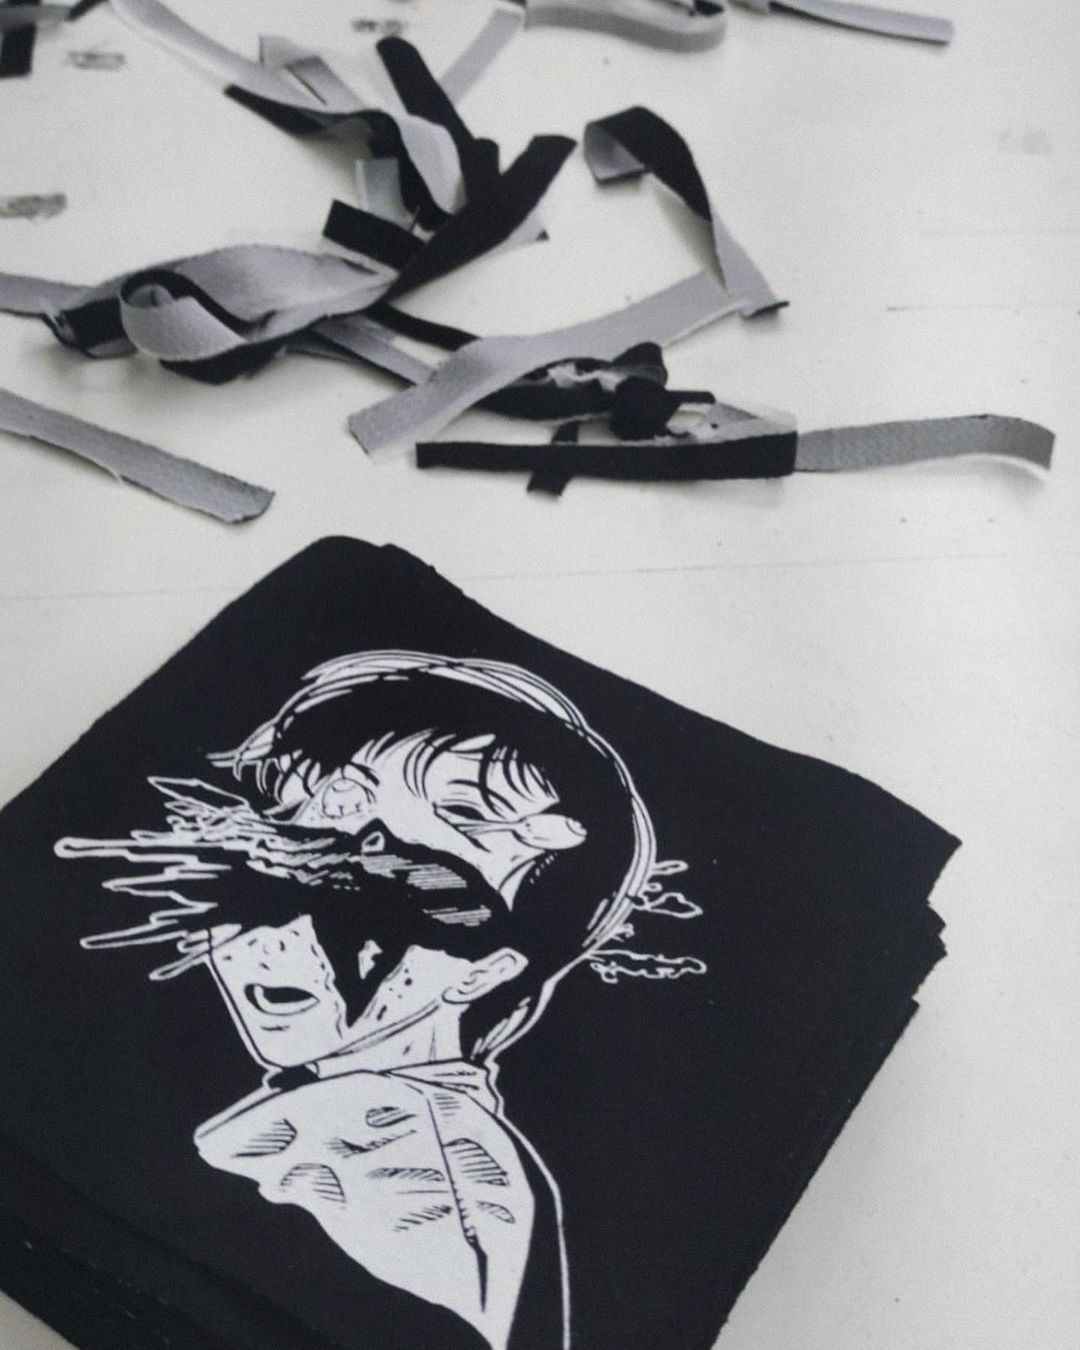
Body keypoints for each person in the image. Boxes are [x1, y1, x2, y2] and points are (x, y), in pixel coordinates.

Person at [56, 651, 657, 1350]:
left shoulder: (398, 1147)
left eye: (369, 914)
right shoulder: (378, 1118)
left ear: (483, 973)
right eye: (261, 894)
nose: (285, 942)